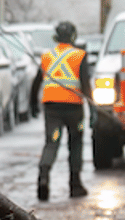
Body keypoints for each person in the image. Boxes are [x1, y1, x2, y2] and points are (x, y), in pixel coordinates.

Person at [36, 20, 91, 201]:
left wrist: (31, 105)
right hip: (74, 108)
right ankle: (75, 185)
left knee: (52, 142)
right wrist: (93, 109)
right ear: (73, 37)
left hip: (51, 107)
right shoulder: (80, 55)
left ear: (56, 37)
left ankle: (43, 178)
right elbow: (85, 85)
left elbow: (36, 83)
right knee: (75, 143)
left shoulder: (46, 56)